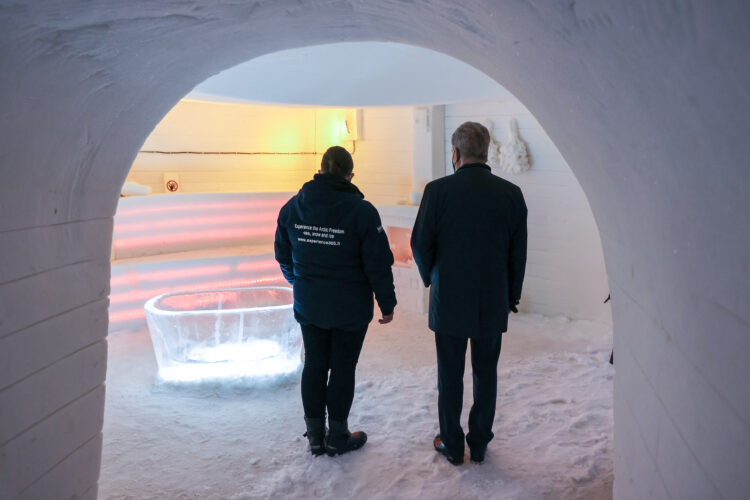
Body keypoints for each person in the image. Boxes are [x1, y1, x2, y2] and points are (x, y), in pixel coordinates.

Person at [411, 122, 527, 465]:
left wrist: (432, 276)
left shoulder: (437, 191)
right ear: (487, 152)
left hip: (449, 297)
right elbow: (516, 253)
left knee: (449, 374)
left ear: (455, 153)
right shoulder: (511, 194)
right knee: (485, 373)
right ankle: (478, 443)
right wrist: (512, 295)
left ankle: (451, 443)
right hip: (492, 299)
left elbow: (419, 244)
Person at [275, 145, 397, 457]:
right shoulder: (362, 212)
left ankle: (315, 437)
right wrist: (387, 302)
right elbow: (377, 262)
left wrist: (299, 282)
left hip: (310, 302)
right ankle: (337, 435)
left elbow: (283, 254)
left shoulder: (292, 207)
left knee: (315, 364)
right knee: (343, 367)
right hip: (350, 307)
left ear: (320, 169)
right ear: (349, 175)